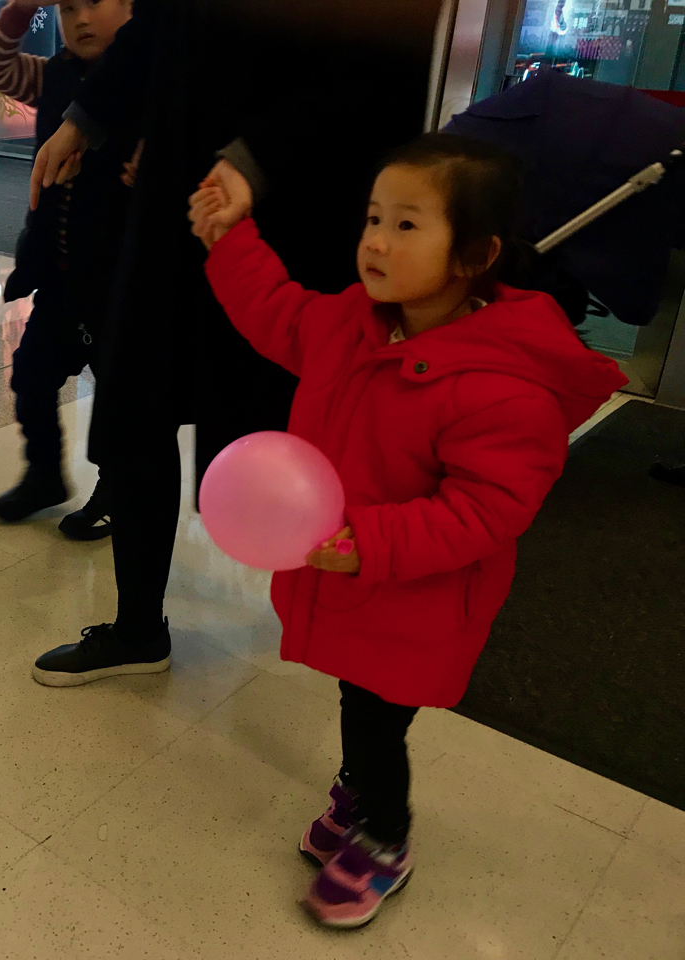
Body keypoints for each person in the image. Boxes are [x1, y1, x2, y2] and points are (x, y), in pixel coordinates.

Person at [188, 133, 627, 928]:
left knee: (376, 720)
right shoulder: (354, 324)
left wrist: (366, 542)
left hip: (417, 603)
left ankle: (385, 835)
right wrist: (230, 236)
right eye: (373, 218)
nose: (376, 242)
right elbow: (275, 312)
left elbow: (486, 510)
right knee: (357, 698)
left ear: (476, 255)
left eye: (406, 225)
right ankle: (358, 792)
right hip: (354, 585)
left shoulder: (505, 387)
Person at [27, 0, 446, 686]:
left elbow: (380, 64)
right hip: (172, 206)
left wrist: (255, 159)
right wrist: (85, 116)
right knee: (135, 411)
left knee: (312, 425)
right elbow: (163, 24)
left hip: (287, 213)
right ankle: (138, 627)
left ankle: (355, 642)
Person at [0, 0, 137, 541]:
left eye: (95, 2)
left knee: (119, 401)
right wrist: (21, 10)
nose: (80, 18)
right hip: (62, 276)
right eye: (68, 7)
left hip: (121, 283)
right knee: (31, 375)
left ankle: (116, 490)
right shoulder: (51, 74)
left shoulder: (148, 81)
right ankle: (44, 473)